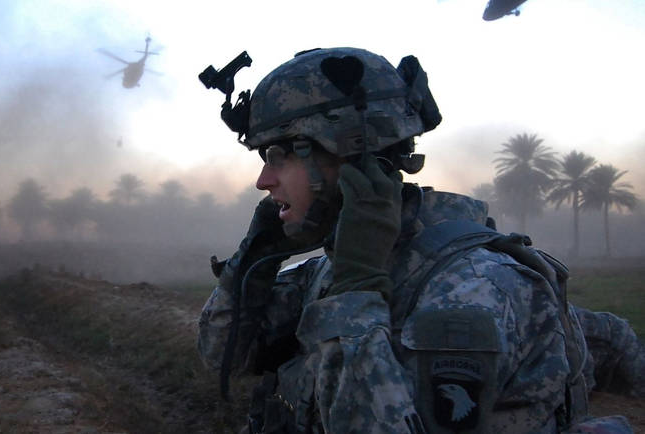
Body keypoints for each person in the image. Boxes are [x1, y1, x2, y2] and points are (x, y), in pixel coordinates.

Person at [197, 47, 642, 433]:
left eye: (277, 155)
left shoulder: (473, 290)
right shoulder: (342, 266)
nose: (262, 180)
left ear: (349, 155)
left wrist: (356, 295)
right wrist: (254, 261)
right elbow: (226, 359)